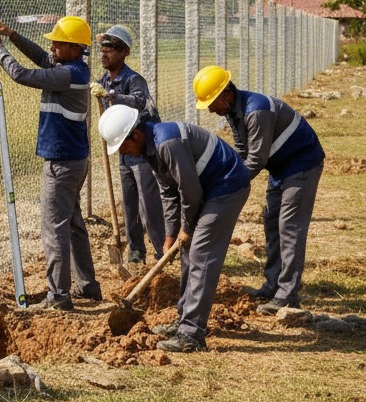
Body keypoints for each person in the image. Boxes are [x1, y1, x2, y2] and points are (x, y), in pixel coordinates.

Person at [98, 103, 252, 352]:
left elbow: (189, 191)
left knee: (201, 253)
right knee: (186, 252)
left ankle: (192, 334)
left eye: (124, 147)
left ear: (135, 135)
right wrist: (171, 234)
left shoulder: (167, 142)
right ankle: (184, 321)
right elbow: (169, 193)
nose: (124, 154)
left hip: (227, 186)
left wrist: (187, 227)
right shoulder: (149, 150)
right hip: (207, 190)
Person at [0, 15, 101, 310]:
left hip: (61, 163)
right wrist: (12, 34)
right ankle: (87, 286)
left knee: (54, 228)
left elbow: (22, 75)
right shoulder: (72, 68)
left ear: (75, 49)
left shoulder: (67, 74)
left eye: (58, 43)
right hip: (74, 160)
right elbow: (39, 56)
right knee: (72, 224)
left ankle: (59, 297)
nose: (51, 46)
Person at [194, 65, 325, 315]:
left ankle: (288, 295)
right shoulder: (234, 113)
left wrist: (228, 187)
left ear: (226, 94)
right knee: (271, 222)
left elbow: (256, 160)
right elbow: (242, 151)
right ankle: (273, 284)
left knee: (290, 227)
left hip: (301, 164)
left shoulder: (256, 110)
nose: (210, 109)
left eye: (211, 102)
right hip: (280, 168)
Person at [92, 24, 166, 263]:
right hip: (123, 151)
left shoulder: (133, 79)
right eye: (102, 48)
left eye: (111, 48)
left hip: (142, 149)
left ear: (124, 52)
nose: (104, 53)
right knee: (130, 204)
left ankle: (162, 250)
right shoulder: (103, 80)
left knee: (149, 205)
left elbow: (140, 102)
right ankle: (135, 251)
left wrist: (110, 96)